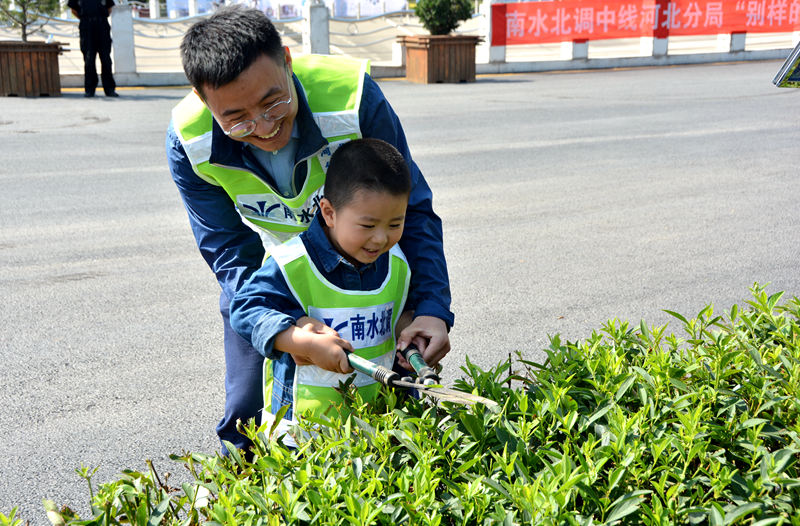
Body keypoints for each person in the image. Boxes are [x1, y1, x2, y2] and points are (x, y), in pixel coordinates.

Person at [165, 5, 453, 454]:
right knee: (247, 415)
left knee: (398, 396)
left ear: (287, 59)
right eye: (236, 118)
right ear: (205, 102)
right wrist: (280, 328)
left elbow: (410, 207)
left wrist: (431, 307)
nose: (263, 127)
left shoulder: (353, 99)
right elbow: (227, 250)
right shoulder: (189, 141)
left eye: (273, 101)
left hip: (368, 268)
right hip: (276, 273)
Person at [230, 138, 412, 440]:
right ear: (328, 212)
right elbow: (245, 310)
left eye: (395, 224)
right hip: (301, 434)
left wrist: (409, 336)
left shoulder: (397, 263)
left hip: (372, 425)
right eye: (367, 226)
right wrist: (301, 342)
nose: (381, 239)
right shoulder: (292, 263)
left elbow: (400, 312)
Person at [68, 0, 118, 98]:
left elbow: (109, 8)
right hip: (87, 27)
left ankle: (109, 90)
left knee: (106, 59)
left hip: (102, 26)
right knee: (89, 60)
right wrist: (85, 18)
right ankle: (90, 90)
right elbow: (73, 10)